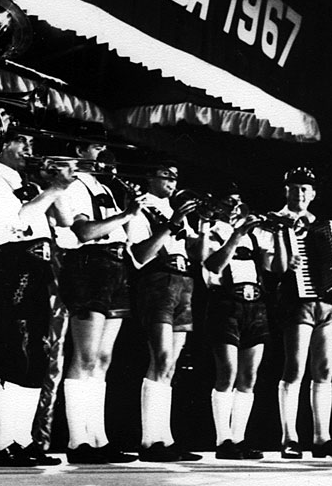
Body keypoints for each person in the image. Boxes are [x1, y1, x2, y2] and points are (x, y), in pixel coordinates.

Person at [0, 132, 74, 467]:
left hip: (38, 266)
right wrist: (56, 188)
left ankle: (23, 439)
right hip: (10, 263)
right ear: (0, 146)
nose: (30, 150)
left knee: (38, 353)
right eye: (21, 142)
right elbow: (15, 220)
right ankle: (5, 444)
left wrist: (53, 186)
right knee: (16, 350)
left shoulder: (23, 181)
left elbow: (64, 225)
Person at [52, 139, 142, 464]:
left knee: (103, 358)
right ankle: (78, 441)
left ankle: (98, 436)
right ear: (79, 152)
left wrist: (130, 207)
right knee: (86, 355)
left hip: (115, 265)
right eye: (95, 147)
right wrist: (126, 215)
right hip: (90, 264)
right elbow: (85, 232)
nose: (103, 151)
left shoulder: (103, 184)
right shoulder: (73, 183)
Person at [267, 167, 332, 459]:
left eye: (306, 189)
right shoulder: (275, 221)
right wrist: (284, 260)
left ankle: (321, 438)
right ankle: (289, 437)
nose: (300, 193)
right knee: (295, 368)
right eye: (295, 188)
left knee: (325, 369)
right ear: (286, 190)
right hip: (296, 300)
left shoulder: (322, 225)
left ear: (313, 194)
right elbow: (272, 267)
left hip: (327, 303)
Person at [126, 161, 208, 462]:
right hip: (157, 281)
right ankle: (149, 442)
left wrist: (203, 225)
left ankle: (165, 437)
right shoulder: (142, 206)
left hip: (184, 281)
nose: (172, 182)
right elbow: (139, 254)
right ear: (150, 176)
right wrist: (171, 223)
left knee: (171, 365)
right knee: (160, 359)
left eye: (176, 177)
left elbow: (198, 257)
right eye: (165, 176)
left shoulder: (179, 211)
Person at [202, 186, 269, 460]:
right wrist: (236, 235)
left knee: (249, 377)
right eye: (228, 204)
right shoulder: (211, 231)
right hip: (225, 304)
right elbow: (213, 266)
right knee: (227, 372)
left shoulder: (252, 237)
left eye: (239, 205)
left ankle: (239, 438)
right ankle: (223, 440)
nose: (234, 209)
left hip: (255, 305)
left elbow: (268, 268)